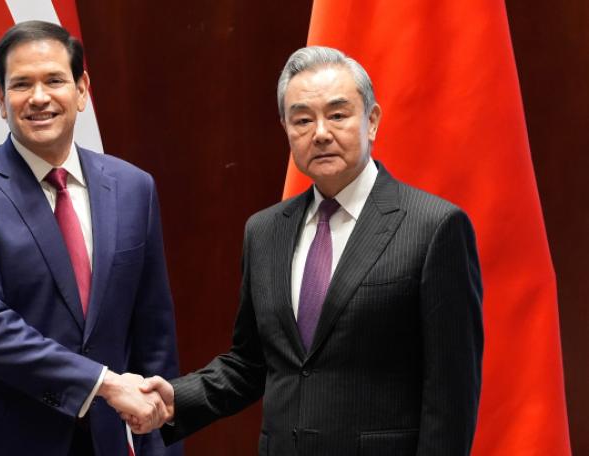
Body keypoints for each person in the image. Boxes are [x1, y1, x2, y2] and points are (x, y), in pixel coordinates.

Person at [138, 46, 483, 455]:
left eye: (337, 115)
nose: (320, 133)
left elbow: (450, 396)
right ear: (286, 128)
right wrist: (176, 400)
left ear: (372, 121)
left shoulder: (434, 227)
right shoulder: (265, 232)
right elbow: (251, 363)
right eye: (302, 120)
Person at [0, 21, 180, 456]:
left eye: (54, 80)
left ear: (82, 90)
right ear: (1, 100)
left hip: (99, 444)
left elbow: (154, 338)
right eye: (21, 84)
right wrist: (105, 384)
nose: (39, 97)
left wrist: (160, 445)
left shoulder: (134, 188)